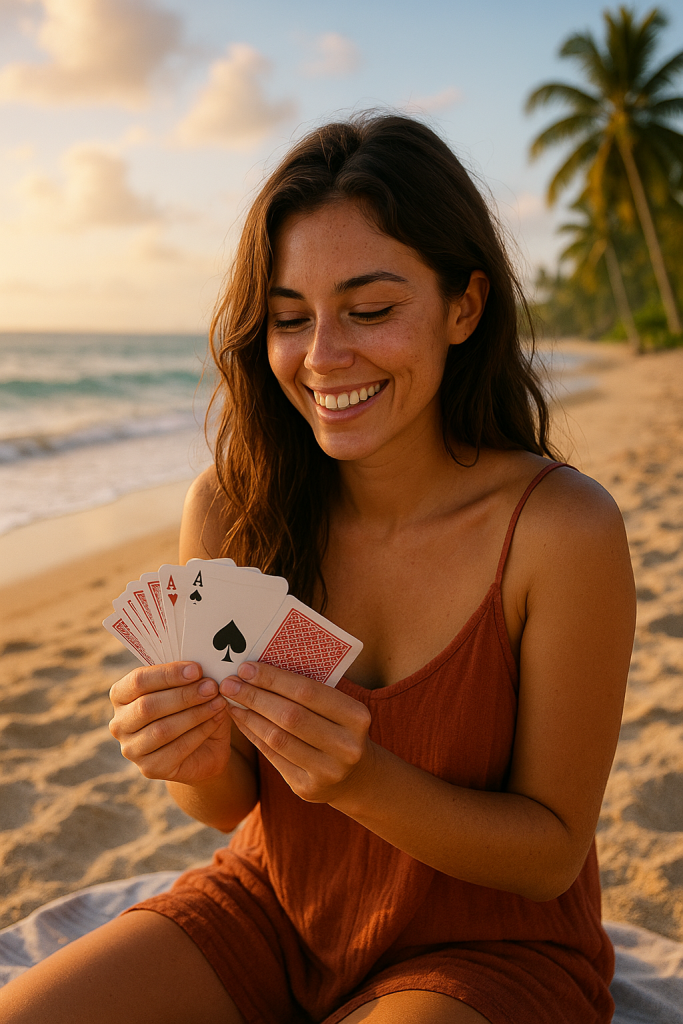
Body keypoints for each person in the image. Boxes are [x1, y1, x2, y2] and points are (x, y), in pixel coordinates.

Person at [0, 113, 635, 1024]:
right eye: (289, 318)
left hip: (489, 946)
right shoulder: (233, 508)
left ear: (464, 307)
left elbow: (549, 854)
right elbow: (223, 804)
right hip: (274, 905)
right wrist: (187, 752)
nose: (322, 357)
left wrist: (357, 779)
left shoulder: (559, 530)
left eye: (369, 311)